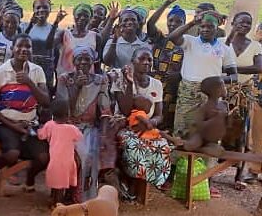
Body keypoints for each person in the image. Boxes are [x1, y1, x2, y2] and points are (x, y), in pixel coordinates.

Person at [0, 34, 51, 194]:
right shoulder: (0, 72)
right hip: (5, 122)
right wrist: (12, 124)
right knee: (12, 153)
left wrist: (29, 82)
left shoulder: (37, 71)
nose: (23, 50)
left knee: (44, 157)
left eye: (27, 46)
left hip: (29, 123)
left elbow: (46, 101)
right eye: (19, 46)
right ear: (12, 49)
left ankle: (30, 176)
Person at [110, 47, 173, 191]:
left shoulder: (156, 84)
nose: (146, 62)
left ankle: (151, 181)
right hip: (126, 126)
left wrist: (151, 122)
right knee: (135, 147)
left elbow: (159, 114)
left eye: (149, 60)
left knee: (163, 146)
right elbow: (125, 111)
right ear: (133, 61)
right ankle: (132, 182)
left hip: (148, 127)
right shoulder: (121, 80)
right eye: (142, 59)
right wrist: (130, 83)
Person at [169, 10, 237, 138]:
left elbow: (234, 76)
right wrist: (192, 22)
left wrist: (216, 81)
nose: (205, 29)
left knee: (207, 133)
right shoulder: (190, 42)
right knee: (182, 129)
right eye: (202, 26)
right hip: (188, 94)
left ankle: (205, 158)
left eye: (210, 26)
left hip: (211, 95)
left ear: (217, 29)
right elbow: (172, 37)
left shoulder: (224, 48)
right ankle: (179, 156)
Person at [56, 45, 112, 201]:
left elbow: (105, 109)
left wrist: (104, 135)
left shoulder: (100, 81)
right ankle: (65, 193)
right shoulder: (65, 79)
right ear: (74, 61)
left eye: (87, 59)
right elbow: (66, 110)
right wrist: (77, 87)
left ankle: (81, 195)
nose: (83, 62)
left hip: (89, 128)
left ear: (93, 61)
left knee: (89, 153)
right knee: (72, 154)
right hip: (67, 126)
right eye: (79, 59)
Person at [219, 11, 262, 187]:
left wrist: (233, 70)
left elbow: (259, 67)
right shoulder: (222, 43)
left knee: (243, 135)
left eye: (248, 23)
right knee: (218, 131)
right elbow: (216, 61)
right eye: (241, 22)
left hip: (243, 94)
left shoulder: (255, 46)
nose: (244, 26)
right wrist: (238, 70)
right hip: (221, 92)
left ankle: (239, 176)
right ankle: (208, 172)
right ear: (232, 23)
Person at [146, 0, 185, 129]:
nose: (173, 24)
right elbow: (150, 24)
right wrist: (167, 3)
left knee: (169, 123)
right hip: (156, 87)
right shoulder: (160, 39)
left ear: (184, 23)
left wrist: (179, 75)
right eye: (171, 20)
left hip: (175, 89)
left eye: (178, 21)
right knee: (152, 120)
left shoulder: (187, 44)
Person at [38, 99, 82, 206]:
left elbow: (41, 136)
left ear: (52, 114)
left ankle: (55, 203)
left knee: (57, 185)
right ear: (67, 114)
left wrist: (39, 128)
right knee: (63, 184)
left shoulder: (50, 125)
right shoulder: (72, 128)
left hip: (55, 161)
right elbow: (79, 137)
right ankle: (62, 203)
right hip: (68, 162)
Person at [20, 0, 63, 89]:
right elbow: (21, 42)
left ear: (50, 10)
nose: (41, 10)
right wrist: (31, 24)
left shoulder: (56, 30)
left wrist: (56, 23)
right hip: (27, 67)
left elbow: (49, 46)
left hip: (46, 71)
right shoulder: (24, 26)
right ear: (33, 10)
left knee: (44, 96)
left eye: (45, 7)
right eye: (38, 7)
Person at [56, 3, 101, 76]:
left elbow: (97, 62)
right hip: (66, 79)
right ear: (74, 16)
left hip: (87, 80)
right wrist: (56, 23)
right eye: (79, 15)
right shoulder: (64, 34)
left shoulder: (95, 37)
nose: (82, 18)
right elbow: (49, 46)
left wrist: (97, 80)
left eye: (86, 16)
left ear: (90, 17)